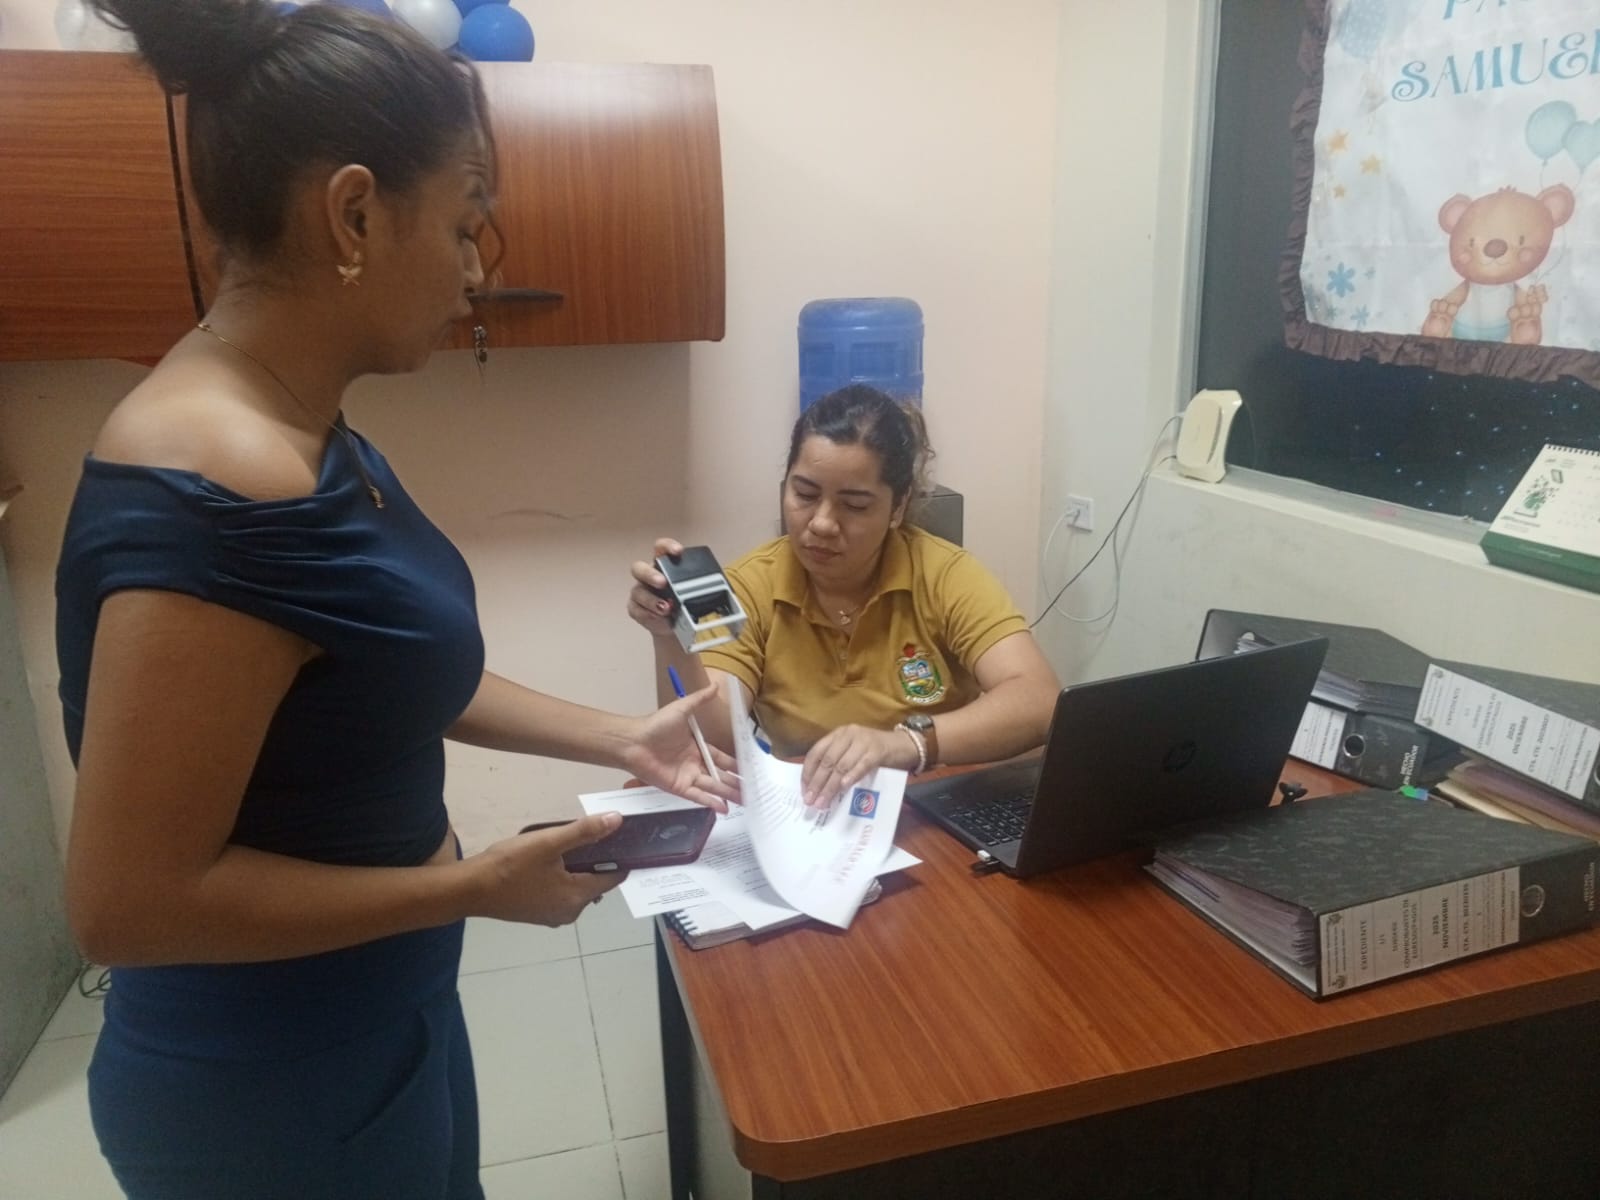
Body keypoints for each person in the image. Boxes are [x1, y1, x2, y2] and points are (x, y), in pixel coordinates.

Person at [54, 3, 734, 1198]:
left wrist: (620, 735)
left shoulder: (299, 429)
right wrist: (473, 886)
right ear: (355, 214)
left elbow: (383, 669)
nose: (476, 270)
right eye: (466, 222)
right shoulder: (218, 484)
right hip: (273, 1086)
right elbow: (129, 907)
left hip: (378, 1007)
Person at [627, 384, 1060, 807]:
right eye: (804, 494)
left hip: (931, 806)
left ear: (898, 508)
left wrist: (906, 744)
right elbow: (713, 740)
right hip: (811, 809)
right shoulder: (750, 585)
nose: (821, 523)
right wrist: (669, 637)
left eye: (854, 505)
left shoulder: (943, 573)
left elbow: (1039, 700)